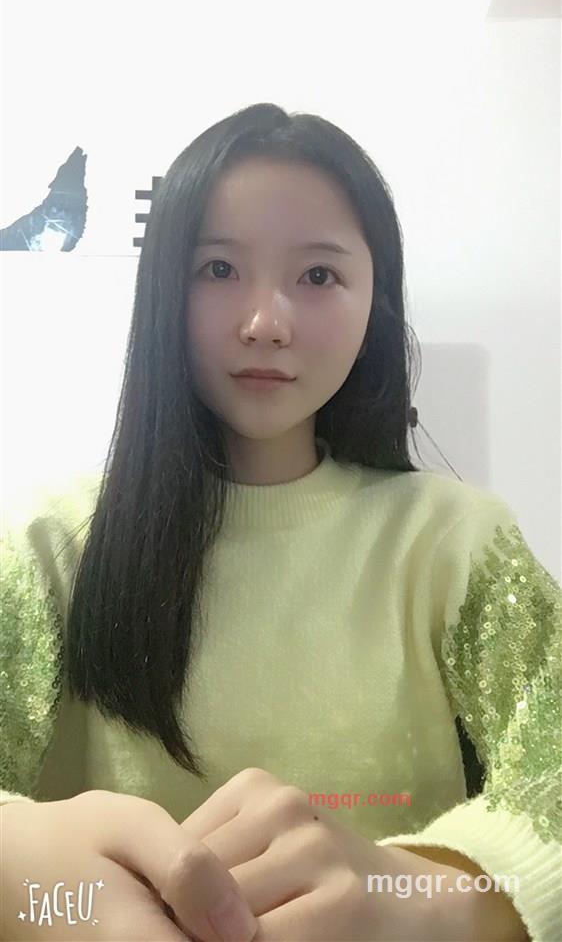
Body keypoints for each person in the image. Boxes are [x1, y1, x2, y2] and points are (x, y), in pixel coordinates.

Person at [1, 102, 560, 942]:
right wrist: (28, 876)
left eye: (319, 276)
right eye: (219, 269)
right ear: (164, 289)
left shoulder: (453, 543)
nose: (265, 322)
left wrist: (425, 897)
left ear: (376, 301)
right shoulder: (46, 544)